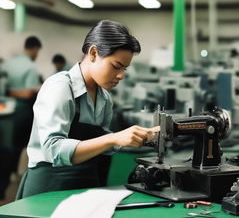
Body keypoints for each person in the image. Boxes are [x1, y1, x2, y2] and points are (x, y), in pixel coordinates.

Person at [16, 20, 159, 199]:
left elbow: (100, 143)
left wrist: (135, 138)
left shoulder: (104, 97)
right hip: (49, 187)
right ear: (93, 53)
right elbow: (53, 149)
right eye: (116, 66)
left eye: (124, 69)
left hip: (85, 184)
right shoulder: (60, 87)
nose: (121, 75)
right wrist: (113, 138)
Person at [2, 36, 42, 169]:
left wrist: (7, 92)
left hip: (4, 111)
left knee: (6, 145)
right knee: (21, 145)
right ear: (34, 49)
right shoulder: (30, 67)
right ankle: (17, 172)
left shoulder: (8, 64)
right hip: (22, 111)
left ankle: (8, 172)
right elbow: (28, 93)